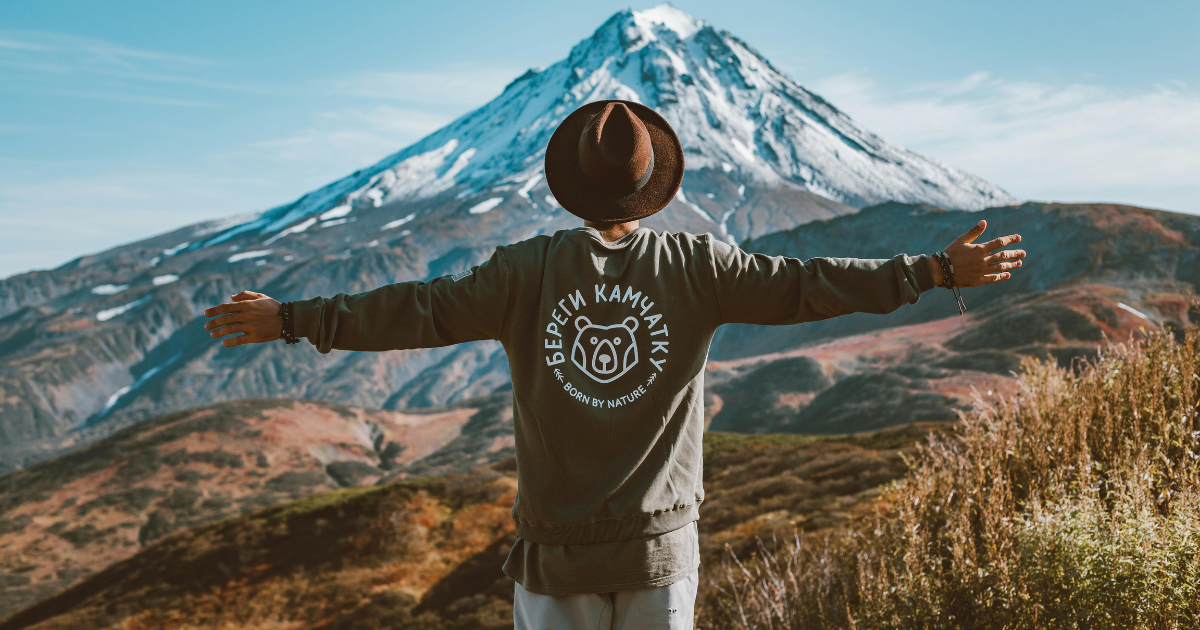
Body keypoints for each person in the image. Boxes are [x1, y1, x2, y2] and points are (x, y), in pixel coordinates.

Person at [203, 100, 1025, 630]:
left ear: (568, 185)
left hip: (555, 555)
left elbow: (415, 311)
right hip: (659, 553)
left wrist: (291, 320)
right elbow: (810, 288)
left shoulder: (522, 272)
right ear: (651, 187)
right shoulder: (697, 266)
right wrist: (933, 271)